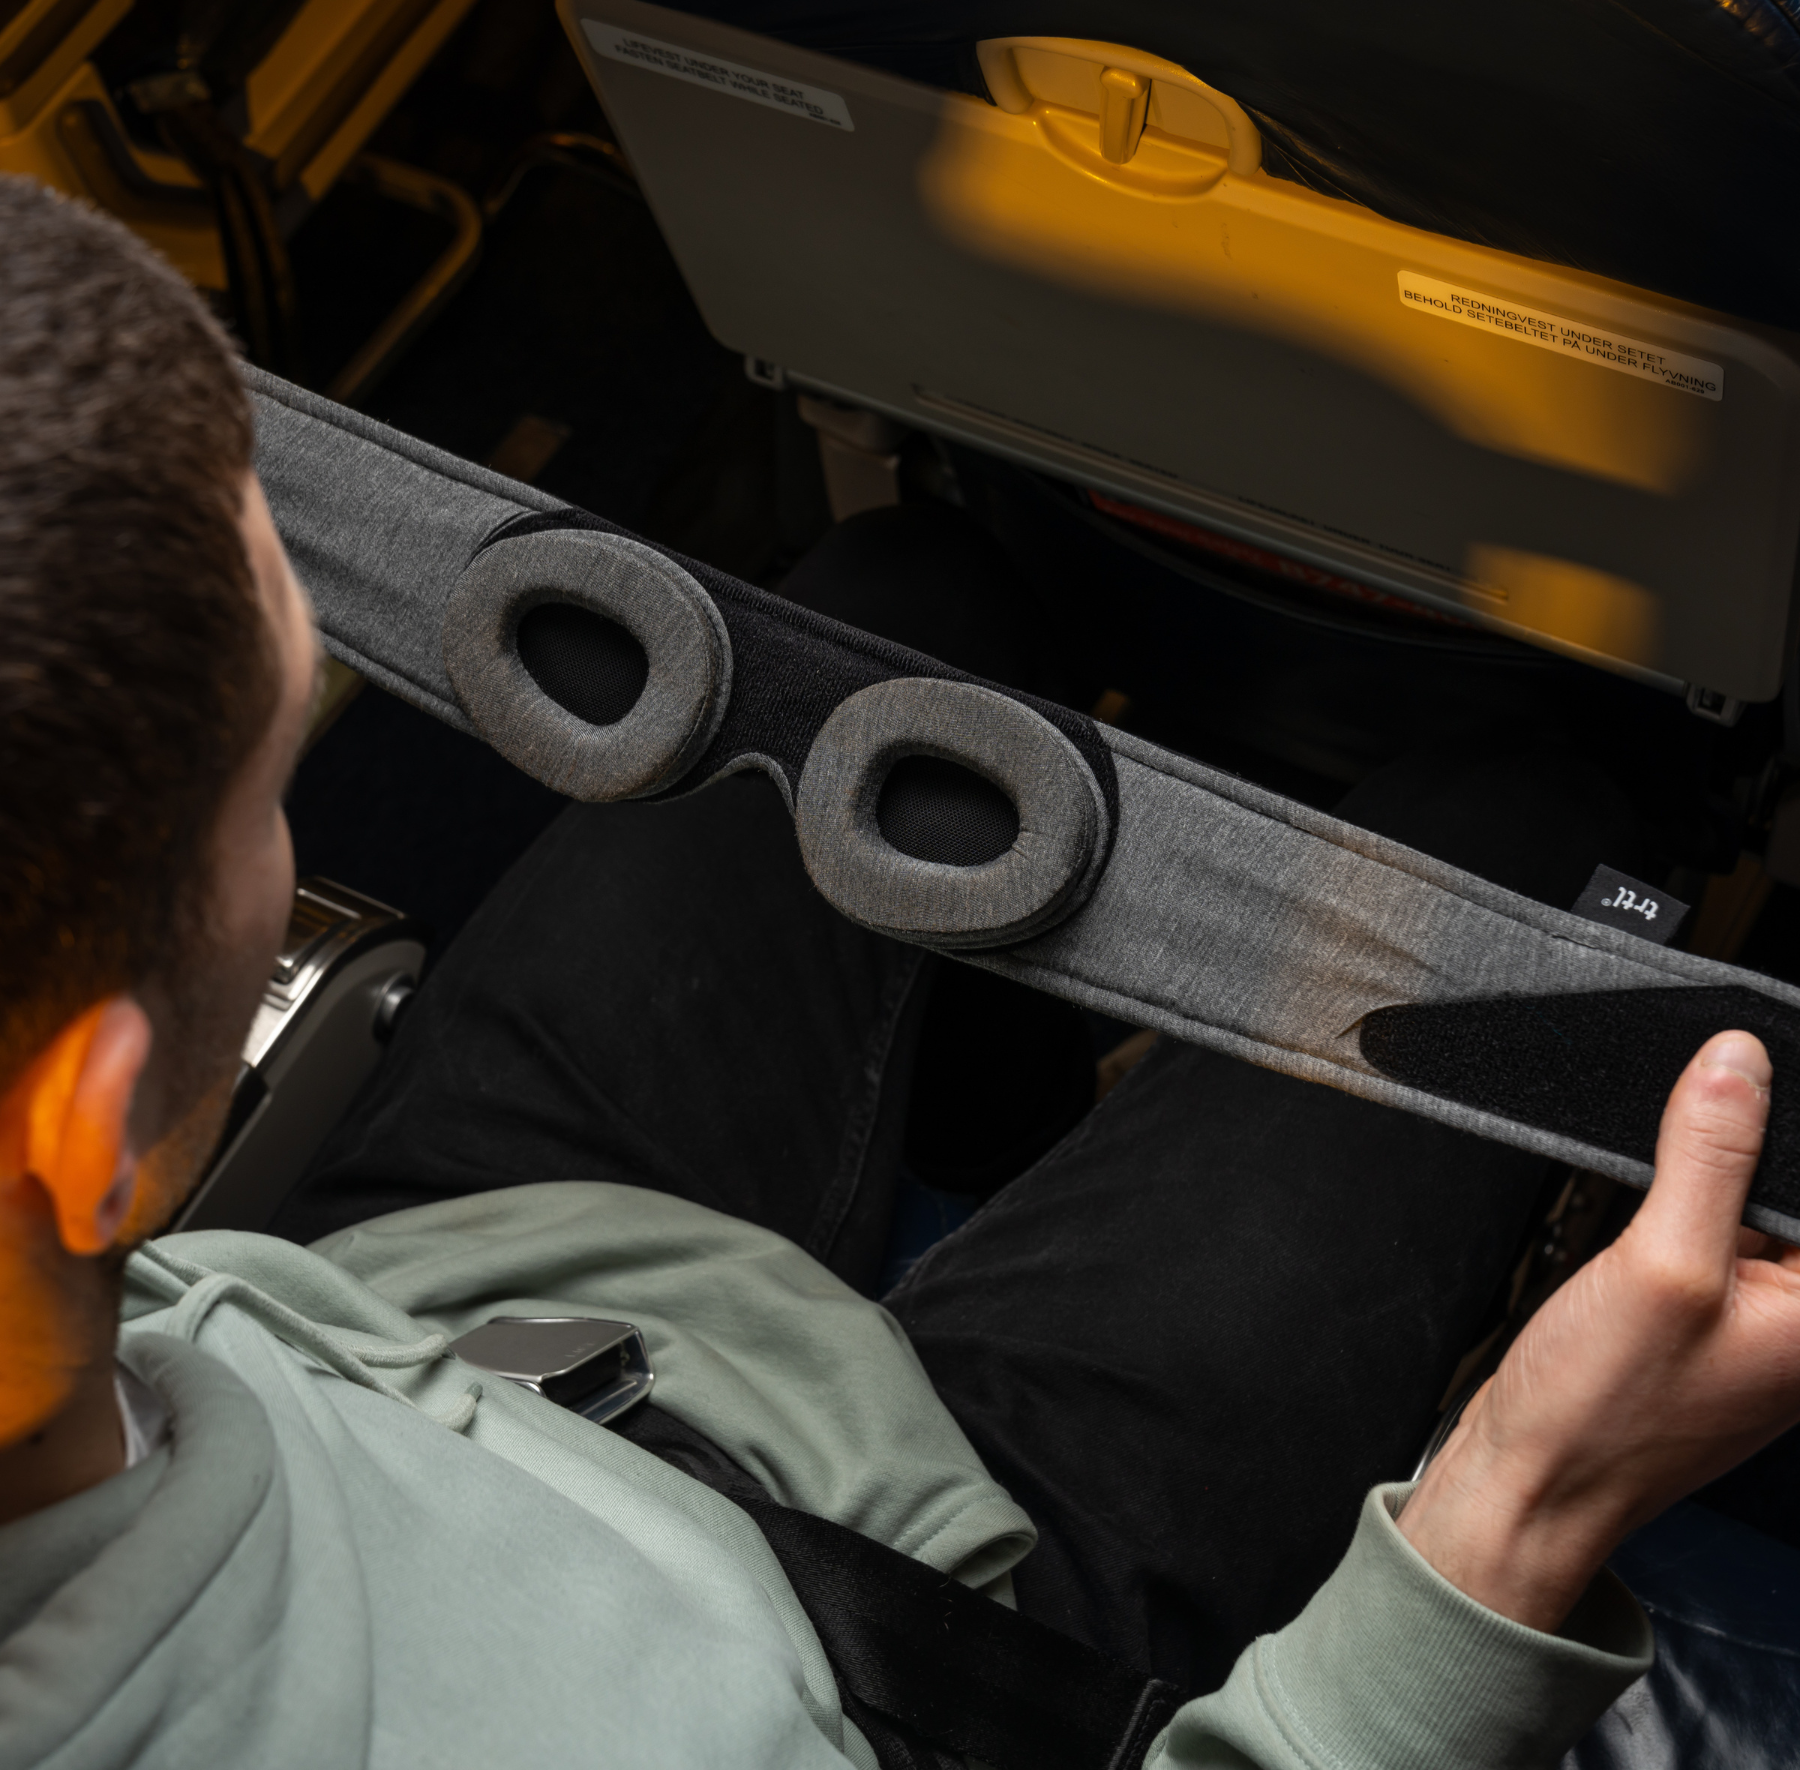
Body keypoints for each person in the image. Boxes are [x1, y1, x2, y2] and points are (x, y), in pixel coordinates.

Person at [3, 172, 1799, 1770]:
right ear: (93, 1121)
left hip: (405, 1306)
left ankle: (987, 1100)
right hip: (941, 1629)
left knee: (905, 598)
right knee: (1522, 817)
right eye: (269, 785)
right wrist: (1530, 1504)